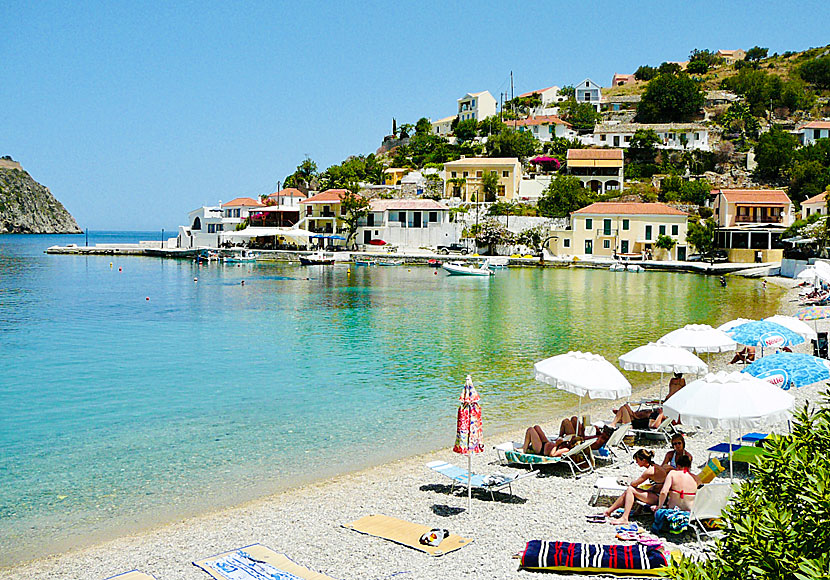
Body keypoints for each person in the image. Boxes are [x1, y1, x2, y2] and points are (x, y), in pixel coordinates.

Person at [604, 449, 669, 524]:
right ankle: (608, 512)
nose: (636, 462)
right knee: (632, 490)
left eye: (637, 460)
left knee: (630, 490)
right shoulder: (655, 466)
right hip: (658, 495)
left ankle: (624, 518)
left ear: (643, 460)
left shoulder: (649, 471)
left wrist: (630, 482)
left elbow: (634, 484)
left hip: (659, 499)